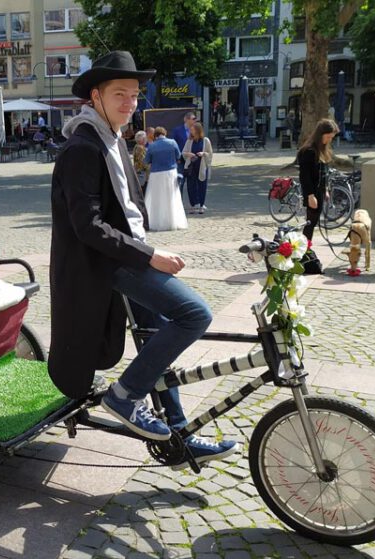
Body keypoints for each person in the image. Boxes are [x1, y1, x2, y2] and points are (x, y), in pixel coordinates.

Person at [49, 50, 237, 466]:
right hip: (107, 264)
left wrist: (149, 249)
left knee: (158, 341)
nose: (129, 103)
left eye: (134, 95)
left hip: (128, 257)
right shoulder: (82, 147)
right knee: (194, 314)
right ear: (95, 96)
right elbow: (88, 226)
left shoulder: (113, 139)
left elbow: (129, 210)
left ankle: (179, 437)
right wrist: (149, 255)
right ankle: (125, 395)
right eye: (120, 94)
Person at [297, 118, 339, 241]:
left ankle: (306, 248)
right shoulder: (308, 151)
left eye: (331, 137)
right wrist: (310, 195)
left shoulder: (322, 150)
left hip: (319, 191)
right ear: (320, 134)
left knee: (313, 222)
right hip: (312, 192)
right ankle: (304, 249)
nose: (329, 140)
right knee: (310, 223)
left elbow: (324, 173)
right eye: (328, 137)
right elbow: (305, 176)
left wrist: (325, 189)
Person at [144, 127, 188, 231]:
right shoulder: (172, 142)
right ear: (165, 133)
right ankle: (173, 221)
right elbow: (178, 156)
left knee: (157, 198)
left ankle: (156, 222)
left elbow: (146, 161)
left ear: (156, 135)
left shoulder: (152, 146)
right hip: (170, 172)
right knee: (171, 197)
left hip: (156, 174)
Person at [182, 122, 213, 214]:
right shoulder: (189, 141)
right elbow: (183, 152)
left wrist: (203, 154)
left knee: (202, 186)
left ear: (197, 131)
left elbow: (210, 153)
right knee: (191, 186)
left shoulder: (205, 140)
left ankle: (201, 205)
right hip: (191, 166)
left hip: (201, 166)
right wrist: (189, 154)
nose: (191, 131)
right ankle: (193, 205)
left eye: (192, 130)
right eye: (190, 130)